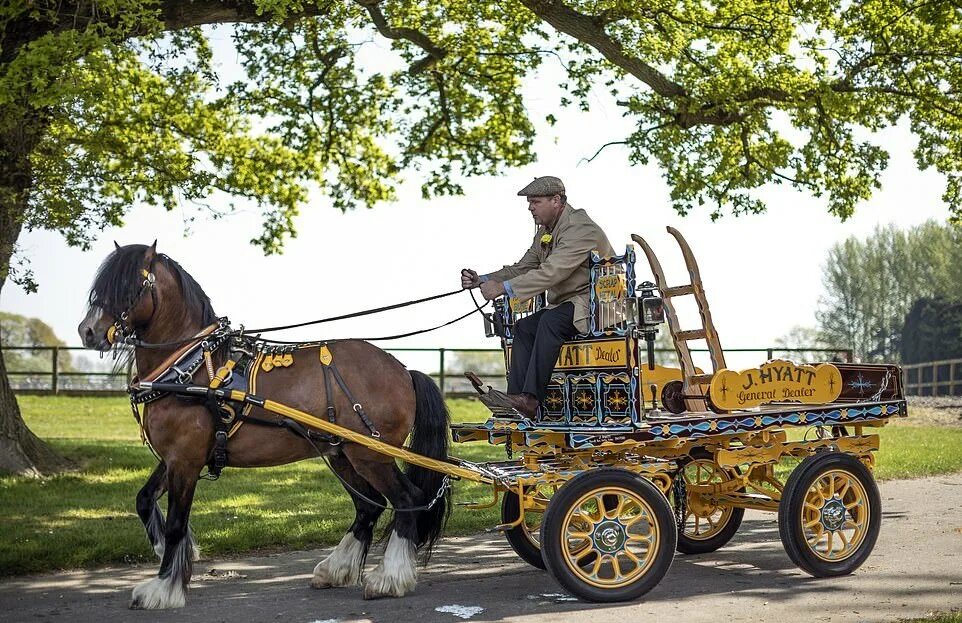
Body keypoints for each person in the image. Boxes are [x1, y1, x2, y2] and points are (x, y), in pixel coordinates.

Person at [461, 176, 616, 418]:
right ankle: (514, 401)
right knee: (524, 327)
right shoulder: (545, 232)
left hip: (598, 304)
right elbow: (523, 268)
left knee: (549, 321)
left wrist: (502, 288)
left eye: (535, 202)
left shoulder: (580, 229)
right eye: (529, 203)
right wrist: (482, 278)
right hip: (570, 305)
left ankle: (529, 400)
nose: (530, 208)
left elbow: (552, 271)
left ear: (556, 200)